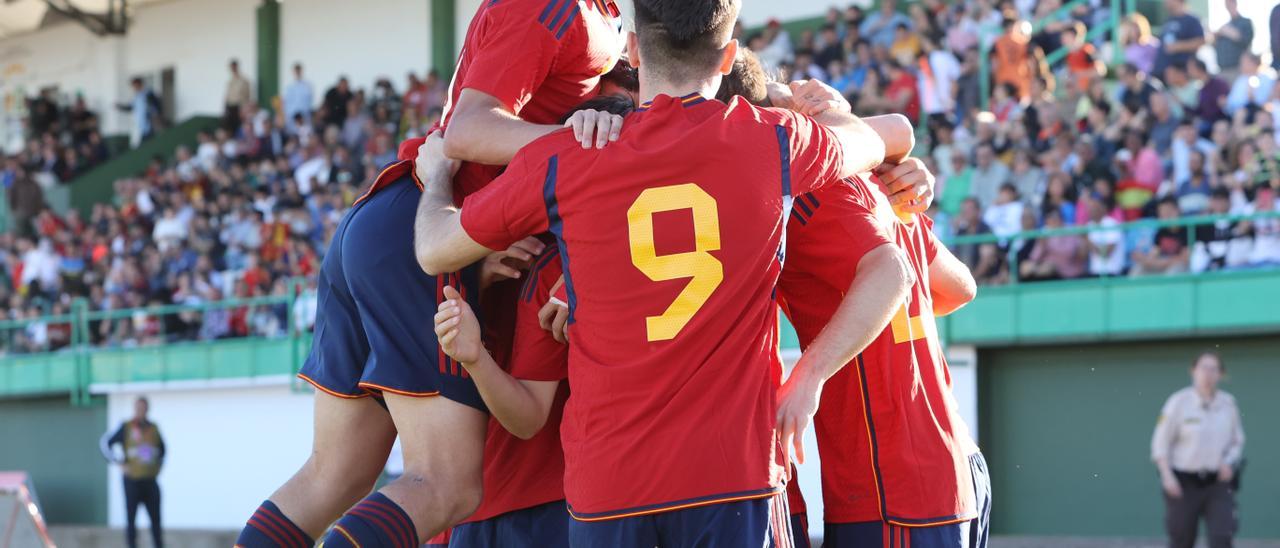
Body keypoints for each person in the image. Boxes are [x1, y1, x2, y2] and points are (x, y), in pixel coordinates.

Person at [413, 0, 909, 543]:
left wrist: (437, 179)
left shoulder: (568, 157)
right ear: (727, 59)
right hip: (730, 477)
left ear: (631, 49)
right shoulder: (775, 139)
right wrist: (837, 116)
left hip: (610, 485)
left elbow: (434, 249)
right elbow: (884, 135)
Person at [234, 0, 625, 546]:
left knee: (334, 476)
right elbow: (467, 131)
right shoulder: (554, 4)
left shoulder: (600, 15)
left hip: (389, 218)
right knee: (447, 485)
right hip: (431, 229)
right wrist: (584, 146)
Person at [1151, 351, 1245, 548]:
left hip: (1218, 483)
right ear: (1193, 371)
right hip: (1183, 484)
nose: (1208, 373)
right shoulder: (1178, 402)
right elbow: (1160, 444)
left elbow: (1237, 440)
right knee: (1181, 539)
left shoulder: (1228, 404)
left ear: (1221, 374)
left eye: (1214, 369)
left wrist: (1229, 461)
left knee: (1222, 537)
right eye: (1203, 367)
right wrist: (1167, 477)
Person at [100, 396, 166, 548]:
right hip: (132, 481)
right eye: (138, 408)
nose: (140, 411)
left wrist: (159, 467)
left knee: (156, 521)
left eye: (143, 408)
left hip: (150, 481)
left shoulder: (153, 428)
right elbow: (105, 443)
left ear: (147, 409)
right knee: (131, 520)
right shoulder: (127, 427)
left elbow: (163, 450)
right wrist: (119, 462)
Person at [1212, 0, 1253, 80]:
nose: (1228, 6)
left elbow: (1246, 41)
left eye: (1230, 3)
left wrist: (1232, 33)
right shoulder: (1225, 25)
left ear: (1235, 3)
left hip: (1237, 69)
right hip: (1222, 69)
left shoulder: (1245, 22)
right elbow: (1215, 45)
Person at [116, 77, 162, 148]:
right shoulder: (136, 97)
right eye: (133, 86)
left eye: (136, 85)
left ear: (140, 84)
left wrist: (155, 118)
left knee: (149, 143)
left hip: (149, 124)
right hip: (140, 126)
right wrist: (120, 107)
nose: (134, 88)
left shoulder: (148, 93)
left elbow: (155, 108)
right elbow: (131, 107)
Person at [283, 63, 314, 131]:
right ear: (293, 72)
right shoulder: (289, 87)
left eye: (299, 70)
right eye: (296, 71)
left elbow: (309, 103)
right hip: (291, 118)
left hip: (304, 117)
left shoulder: (308, 86)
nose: (297, 72)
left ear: (301, 71)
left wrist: (302, 115)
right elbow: (286, 104)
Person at [225, 59, 252, 132]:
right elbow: (227, 96)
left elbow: (247, 96)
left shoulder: (244, 80)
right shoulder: (230, 81)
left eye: (234, 67)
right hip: (230, 107)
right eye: (231, 67)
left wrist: (244, 110)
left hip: (240, 108)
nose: (233, 69)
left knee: (239, 127)